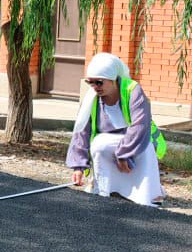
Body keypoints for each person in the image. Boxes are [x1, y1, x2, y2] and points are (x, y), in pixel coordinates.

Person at [66, 52, 167, 207]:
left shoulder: (132, 90)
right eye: (90, 82)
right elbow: (82, 131)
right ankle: (105, 189)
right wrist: (78, 167)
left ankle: (150, 194)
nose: (94, 87)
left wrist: (123, 153)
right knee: (99, 144)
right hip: (110, 141)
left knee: (146, 147)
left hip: (138, 139)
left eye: (99, 82)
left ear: (113, 79)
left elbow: (140, 126)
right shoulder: (91, 98)